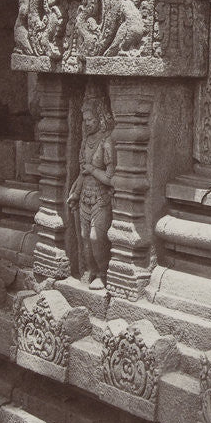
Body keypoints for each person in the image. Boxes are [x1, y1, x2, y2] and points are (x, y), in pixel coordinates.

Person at [67, 86, 115, 289]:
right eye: (85, 120)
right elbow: (80, 173)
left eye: (91, 120)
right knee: (85, 240)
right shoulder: (86, 141)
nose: (87, 124)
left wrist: (92, 170)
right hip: (84, 196)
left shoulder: (107, 142)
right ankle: (92, 272)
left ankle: (104, 274)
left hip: (101, 198)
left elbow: (111, 178)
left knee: (97, 238)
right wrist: (75, 193)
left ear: (101, 118)